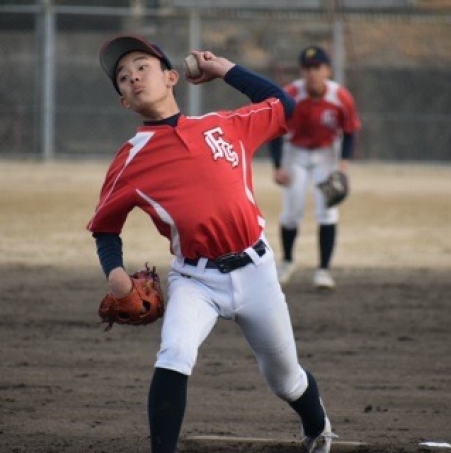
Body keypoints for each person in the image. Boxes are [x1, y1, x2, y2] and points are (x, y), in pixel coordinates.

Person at [87, 34, 335, 453]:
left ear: (171, 77)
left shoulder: (223, 125)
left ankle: (318, 428)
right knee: (175, 352)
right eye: (124, 79)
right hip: (195, 279)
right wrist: (115, 274)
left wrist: (225, 69)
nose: (134, 78)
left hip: (257, 271)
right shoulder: (130, 159)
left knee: (285, 379)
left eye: (142, 68)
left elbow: (284, 107)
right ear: (124, 102)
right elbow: (105, 227)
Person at [269, 45, 361, 290]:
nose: (312, 73)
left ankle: (323, 270)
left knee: (327, 212)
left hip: (326, 154)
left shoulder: (340, 96)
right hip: (295, 153)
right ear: (301, 71)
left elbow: (350, 131)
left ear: (328, 70)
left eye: (317, 67)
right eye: (307, 68)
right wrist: (278, 165)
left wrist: (343, 162)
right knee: (291, 212)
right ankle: (288, 261)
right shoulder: (291, 95)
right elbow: (274, 130)